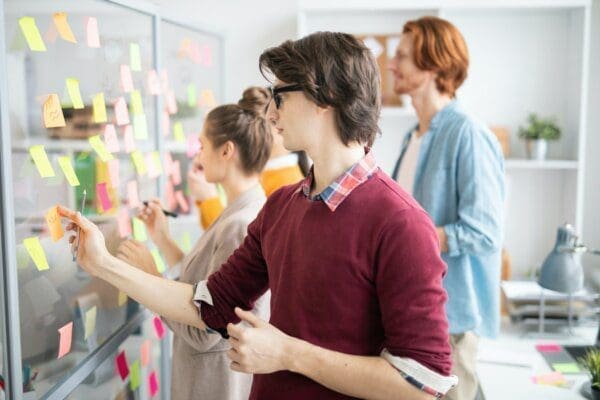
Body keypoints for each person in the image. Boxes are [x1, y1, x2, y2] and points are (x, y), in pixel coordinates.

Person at [58, 31, 457, 399]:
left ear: (325, 97)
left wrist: (289, 354)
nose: (269, 112)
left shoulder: (401, 223)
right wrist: (104, 264)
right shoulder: (282, 205)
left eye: (280, 95)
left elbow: (422, 381)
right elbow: (208, 306)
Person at [117, 103, 272, 400]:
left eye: (202, 146)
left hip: (216, 385)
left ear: (227, 151)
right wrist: (162, 238)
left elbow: (206, 330)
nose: (198, 156)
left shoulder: (240, 224)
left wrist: (150, 273)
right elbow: (203, 285)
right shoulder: (240, 209)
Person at [389, 16, 505, 400]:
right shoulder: (413, 136)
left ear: (434, 65)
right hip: (416, 312)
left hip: (452, 318)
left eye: (402, 57)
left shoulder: (468, 133)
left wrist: (407, 242)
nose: (392, 65)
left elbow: (484, 230)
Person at [190, 86, 308, 230]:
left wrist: (209, 200)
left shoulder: (287, 186)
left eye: (265, 123)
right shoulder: (262, 174)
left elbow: (236, 237)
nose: (252, 132)